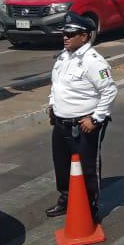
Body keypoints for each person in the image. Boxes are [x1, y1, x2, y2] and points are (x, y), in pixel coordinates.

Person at [45, 12, 117, 221]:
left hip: (84, 124)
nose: (65, 37)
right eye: (64, 34)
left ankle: (90, 208)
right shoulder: (64, 56)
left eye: (71, 34)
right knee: (62, 164)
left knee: (87, 167)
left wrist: (96, 119)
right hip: (60, 121)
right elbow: (57, 84)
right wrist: (52, 103)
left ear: (84, 36)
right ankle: (66, 199)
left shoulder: (93, 61)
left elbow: (109, 91)